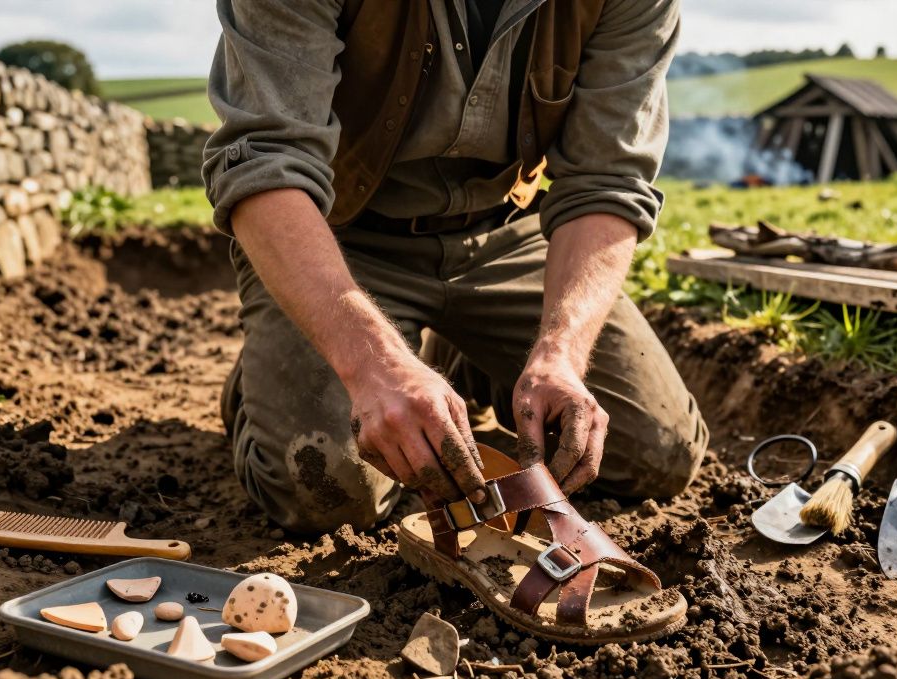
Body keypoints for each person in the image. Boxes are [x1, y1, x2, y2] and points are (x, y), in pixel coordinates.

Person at [204, 0, 707, 641]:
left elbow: (606, 181)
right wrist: (370, 364)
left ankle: (456, 359)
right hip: (338, 239)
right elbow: (262, 162)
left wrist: (560, 352)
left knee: (654, 452)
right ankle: (273, 379)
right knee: (327, 491)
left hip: (505, 237)